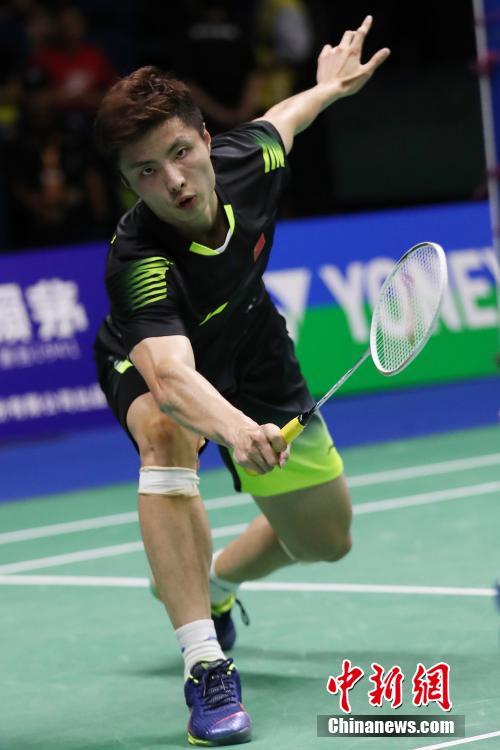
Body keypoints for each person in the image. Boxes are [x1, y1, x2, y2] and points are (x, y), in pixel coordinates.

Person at [93, 15, 389, 746]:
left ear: (205, 139)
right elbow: (171, 379)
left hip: (253, 346)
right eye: (146, 172)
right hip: (157, 361)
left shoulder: (246, 161)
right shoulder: (138, 260)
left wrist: (328, 88)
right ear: (127, 183)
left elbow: (284, 119)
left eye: (180, 153)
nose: (174, 181)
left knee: (326, 540)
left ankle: (216, 580)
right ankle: (206, 666)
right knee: (166, 436)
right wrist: (234, 430)